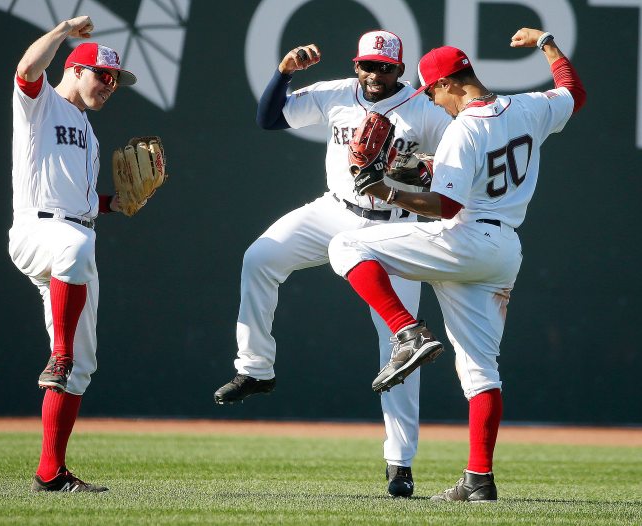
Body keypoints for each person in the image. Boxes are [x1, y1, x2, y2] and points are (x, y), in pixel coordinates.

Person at [328, 27, 586, 501]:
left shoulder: (463, 128)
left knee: (346, 247)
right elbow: (573, 92)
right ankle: (478, 480)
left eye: (431, 91)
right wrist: (547, 44)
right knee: (481, 373)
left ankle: (408, 334)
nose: (432, 100)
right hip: (504, 251)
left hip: (464, 236)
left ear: (449, 83)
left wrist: (386, 191)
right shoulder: (529, 108)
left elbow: (445, 208)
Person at [213, 30, 452, 497]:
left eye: (384, 67)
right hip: (335, 209)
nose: (374, 74)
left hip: (393, 227)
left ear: (400, 70)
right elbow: (269, 119)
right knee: (259, 257)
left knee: (402, 350)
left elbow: (450, 166)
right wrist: (283, 72)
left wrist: (419, 167)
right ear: (356, 64)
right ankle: (256, 370)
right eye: (367, 65)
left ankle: (399, 465)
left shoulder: (424, 108)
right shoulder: (338, 93)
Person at [8, 16, 137, 492]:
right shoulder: (39, 104)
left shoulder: (91, 134)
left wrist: (112, 203)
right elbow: (26, 67)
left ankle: (51, 472)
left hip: (73, 238)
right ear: (76, 70)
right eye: (103, 76)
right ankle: (57, 355)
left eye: (116, 81)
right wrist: (62, 29)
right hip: (37, 231)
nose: (110, 86)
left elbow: (79, 202)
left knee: (84, 365)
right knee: (76, 247)